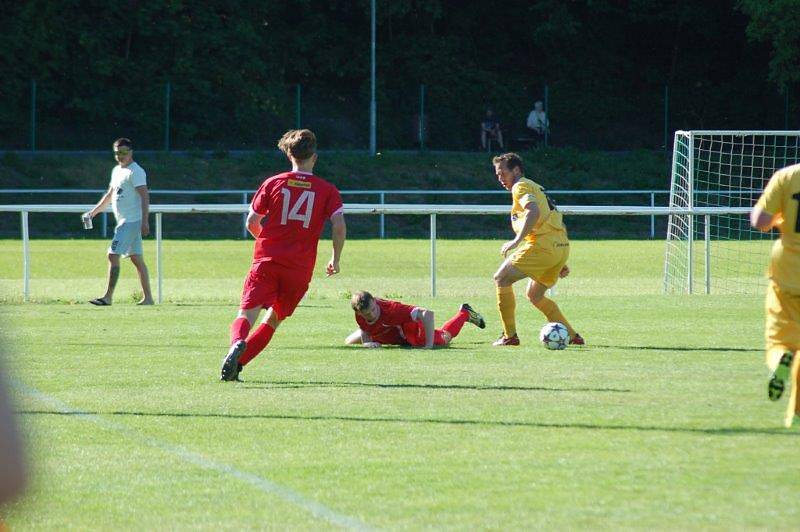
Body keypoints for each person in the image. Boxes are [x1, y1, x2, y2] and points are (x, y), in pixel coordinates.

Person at [220, 129, 346, 381]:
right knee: (273, 320)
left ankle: (236, 343)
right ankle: (238, 364)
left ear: (289, 155)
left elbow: (252, 222)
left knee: (246, 313)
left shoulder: (274, 183)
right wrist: (335, 257)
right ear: (315, 158)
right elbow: (339, 224)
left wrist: (268, 241)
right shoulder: (327, 189)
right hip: (299, 268)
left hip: (267, 260)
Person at [491, 152, 584, 347]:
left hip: (544, 246)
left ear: (516, 170)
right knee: (535, 295)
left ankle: (510, 336)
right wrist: (558, 259)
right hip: (559, 246)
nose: (500, 179)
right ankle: (572, 335)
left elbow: (534, 211)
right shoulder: (535, 186)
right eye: (497, 175)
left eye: (502, 173)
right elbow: (550, 218)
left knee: (501, 278)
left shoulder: (520, 186)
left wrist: (516, 241)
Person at [750, 163, 800, 428]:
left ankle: (781, 358)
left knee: (780, 340)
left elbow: (760, 221)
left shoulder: (787, 176)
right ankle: (796, 415)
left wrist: (780, 218)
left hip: (788, 271)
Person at [83, 138, 154, 306]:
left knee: (112, 255)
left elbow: (145, 196)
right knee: (137, 259)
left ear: (131, 152)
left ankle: (107, 297)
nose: (120, 156)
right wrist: (93, 213)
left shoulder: (135, 172)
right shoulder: (116, 170)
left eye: (123, 152)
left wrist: (145, 221)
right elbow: (109, 195)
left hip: (131, 222)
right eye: (117, 153)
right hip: (124, 221)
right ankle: (148, 298)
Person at [345, 291, 486, 348]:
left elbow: (428, 314)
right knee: (349, 342)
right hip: (385, 330)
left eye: (373, 310)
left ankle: (464, 313)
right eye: (367, 314)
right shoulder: (360, 312)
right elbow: (365, 327)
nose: (371, 315)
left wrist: (428, 346)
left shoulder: (393, 310)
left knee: (444, 338)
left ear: (375, 301)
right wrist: (367, 344)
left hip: (410, 329)